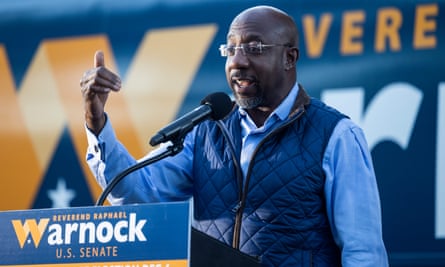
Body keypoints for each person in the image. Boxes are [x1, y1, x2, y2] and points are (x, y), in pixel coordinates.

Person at [79, 5, 388, 267]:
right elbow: (137, 191)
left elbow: (363, 252)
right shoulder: (205, 129)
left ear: (289, 59)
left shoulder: (336, 135)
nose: (237, 62)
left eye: (254, 49)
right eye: (231, 49)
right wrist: (96, 121)